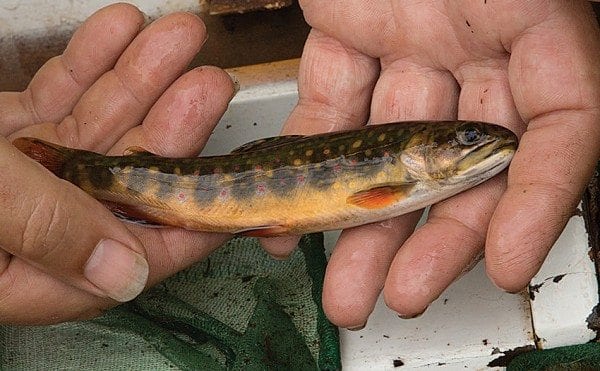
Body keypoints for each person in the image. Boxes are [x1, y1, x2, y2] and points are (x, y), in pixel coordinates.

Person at [0, 1, 598, 329]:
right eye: (464, 137)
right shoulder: (394, 179)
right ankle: (74, 170)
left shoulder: (405, 174)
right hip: (172, 184)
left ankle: (79, 171)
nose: (479, 143)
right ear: (416, 151)